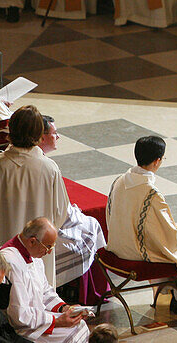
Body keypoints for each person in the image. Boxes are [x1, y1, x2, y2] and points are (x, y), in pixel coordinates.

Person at [107, 136, 177, 317]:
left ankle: (167, 297)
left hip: (116, 247)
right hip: (134, 254)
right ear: (157, 161)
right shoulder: (151, 194)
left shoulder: (119, 180)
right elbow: (169, 236)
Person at [0, 106, 70, 286]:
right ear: (39, 133)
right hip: (39, 250)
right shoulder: (49, 168)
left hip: (3, 246)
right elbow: (60, 213)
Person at [37, 116, 106, 286]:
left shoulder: (1, 162)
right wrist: (75, 213)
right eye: (55, 133)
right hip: (47, 229)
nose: (58, 137)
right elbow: (61, 213)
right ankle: (90, 290)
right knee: (92, 225)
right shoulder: (48, 167)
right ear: (42, 137)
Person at [0, 218, 90, 343]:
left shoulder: (33, 254)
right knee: (75, 332)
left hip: (39, 318)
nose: (49, 252)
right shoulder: (11, 261)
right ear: (32, 241)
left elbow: (45, 290)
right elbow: (19, 314)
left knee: (80, 325)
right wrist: (57, 321)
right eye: (48, 247)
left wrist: (64, 308)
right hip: (24, 328)